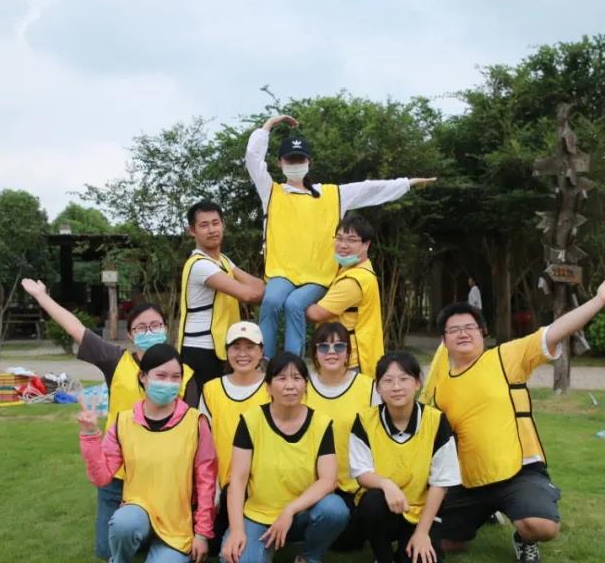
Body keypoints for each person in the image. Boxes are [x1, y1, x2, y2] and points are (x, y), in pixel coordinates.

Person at [422, 269, 605, 563]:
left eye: (470, 327)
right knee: (439, 541)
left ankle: (524, 536)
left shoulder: (506, 357)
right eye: (454, 330)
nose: (463, 333)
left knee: (541, 526)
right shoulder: (440, 384)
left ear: (483, 332)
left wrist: (599, 300)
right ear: (444, 340)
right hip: (470, 479)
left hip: (518, 472)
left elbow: (554, 332)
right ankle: (486, 513)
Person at [21, 278, 198, 560]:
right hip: (118, 469)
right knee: (107, 551)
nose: (149, 331)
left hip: (162, 472)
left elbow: (190, 430)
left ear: (166, 329)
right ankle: (139, 534)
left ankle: (158, 538)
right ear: (130, 334)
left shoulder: (183, 374)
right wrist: (42, 296)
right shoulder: (116, 360)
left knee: (159, 535)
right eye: (141, 327)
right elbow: (76, 329)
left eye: (156, 325)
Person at [245, 113, 436, 358]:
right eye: (290, 160)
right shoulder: (271, 192)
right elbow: (253, 159)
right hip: (281, 271)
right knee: (271, 301)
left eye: (300, 159)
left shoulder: (333, 195)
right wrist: (269, 125)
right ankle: (265, 360)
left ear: (309, 163)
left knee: (294, 305)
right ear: (280, 163)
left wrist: (407, 183)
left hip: (318, 275)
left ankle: (293, 366)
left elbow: (370, 189)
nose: (295, 164)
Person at [78, 344, 216, 563]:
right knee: (124, 523)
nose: (169, 383)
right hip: (137, 513)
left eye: (175, 377)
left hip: (176, 523)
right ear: (143, 377)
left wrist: (202, 534)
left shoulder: (195, 422)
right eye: (161, 376)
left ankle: (164, 553)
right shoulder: (123, 421)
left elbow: (206, 483)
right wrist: (90, 435)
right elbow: (102, 477)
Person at [220, 352, 349, 563]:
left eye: (297, 378)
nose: (290, 385)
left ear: (306, 385)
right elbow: (237, 480)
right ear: (268, 387)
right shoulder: (250, 421)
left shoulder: (320, 423)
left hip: (301, 513)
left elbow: (328, 480)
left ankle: (307, 559)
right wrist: (237, 530)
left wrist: (289, 511)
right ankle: (264, 551)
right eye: (281, 378)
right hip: (260, 513)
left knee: (335, 509)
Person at [350, 351, 460, 563]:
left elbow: (441, 483)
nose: (396, 387)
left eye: (404, 379)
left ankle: (411, 552)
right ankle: (383, 561)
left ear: (417, 383)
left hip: (421, 512)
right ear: (378, 388)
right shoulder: (365, 420)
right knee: (371, 502)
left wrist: (422, 533)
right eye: (388, 381)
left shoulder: (436, 421)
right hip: (386, 508)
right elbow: (361, 473)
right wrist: (387, 484)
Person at [303, 322, 378, 550]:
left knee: (348, 543)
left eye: (339, 346)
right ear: (315, 352)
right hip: (312, 482)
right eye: (323, 346)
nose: (331, 352)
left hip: (356, 484)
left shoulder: (368, 387)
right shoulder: (302, 388)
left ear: (348, 352)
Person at [177, 200, 266, 386]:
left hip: (218, 347)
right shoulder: (201, 265)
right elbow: (248, 295)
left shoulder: (222, 260)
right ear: (192, 231)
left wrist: (265, 289)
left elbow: (257, 285)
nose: (212, 230)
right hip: (199, 350)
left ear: (223, 225)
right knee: (203, 403)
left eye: (215, 223)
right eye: (204, 225)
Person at [198, 321, 270, 549]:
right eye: (236, 347)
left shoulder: (272, 387)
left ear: (261, 351)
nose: (242, 354)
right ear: (226, 351)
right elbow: (204, 443)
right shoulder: (211, 389)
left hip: (263, 484)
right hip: (222, 484)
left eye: (250, 347)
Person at [305, 214, 384, 375]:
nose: (343, 245)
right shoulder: (354, 270)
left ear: (366, 244)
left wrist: (297, 302)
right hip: (347, 354)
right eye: (339, 238)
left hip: (349, 359)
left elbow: (316, 314)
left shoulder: (353, 281)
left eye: (351, 240)